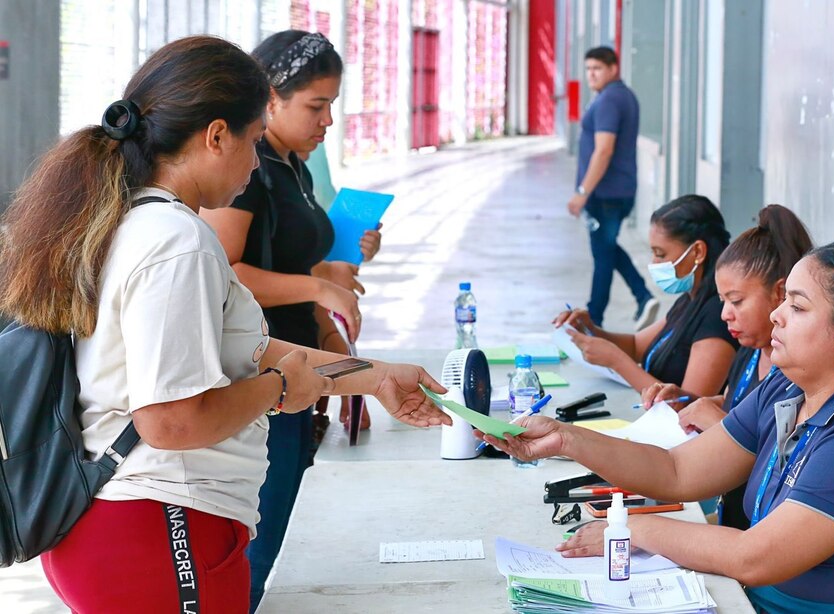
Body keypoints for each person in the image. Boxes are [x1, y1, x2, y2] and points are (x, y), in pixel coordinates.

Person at [0, 36, 449, 613]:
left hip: (132, 524)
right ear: (217, 135)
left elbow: (254, 349)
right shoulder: (176, 243)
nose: (257, 159)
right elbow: (170, 420)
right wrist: (282, 392)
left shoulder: (130, 220)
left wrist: (378, 375)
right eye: (255, 140)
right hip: (159, 527)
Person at [484, 241, 834, 611]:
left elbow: (756, 557)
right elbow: (676, 472)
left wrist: (636, 532)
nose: (776, 315)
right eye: (783, 300)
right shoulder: (787, 387)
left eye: (799, 306)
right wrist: (567, 438)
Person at [197, 30, 381, 611]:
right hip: (263, 373)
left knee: (281, 534)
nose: (327, 120)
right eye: (315, 105)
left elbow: (294, 266)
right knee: (263, 542)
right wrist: (318, 284)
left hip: (300, 369)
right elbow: (224, 272)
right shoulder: (246, 173)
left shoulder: (292, 166)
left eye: (332, 104)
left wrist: (337, 346)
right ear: (269, 99)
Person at [641, 204, 813, 529]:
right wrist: (689, 399)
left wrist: (720, 423)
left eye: (736, 301)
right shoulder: (749, 352)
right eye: (722, 301)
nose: (725, 315)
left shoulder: (798, 375)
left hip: (764, 535)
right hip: (731, 518)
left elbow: (784, 464)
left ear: (779, 294)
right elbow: (745, 405)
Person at [555, 195, 737, 397]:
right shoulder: (690, 300)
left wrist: (616, 360)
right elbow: (637, 346)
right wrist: (590, 329)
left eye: (660, 254)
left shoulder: (717, 316)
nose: (654, 262)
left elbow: (689, 406)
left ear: (698, 251)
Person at [568, 46, 657, 330]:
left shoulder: (609, 100)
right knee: (606, 249)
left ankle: (594, 319)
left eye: (597, 68)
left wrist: (582, 192)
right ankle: (641, 296)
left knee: (603, 256)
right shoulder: (624, 96)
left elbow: (603, 151)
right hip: (618, 190)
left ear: (613, 69)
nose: (591, 74)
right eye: (588, 69)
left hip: (604, 194)